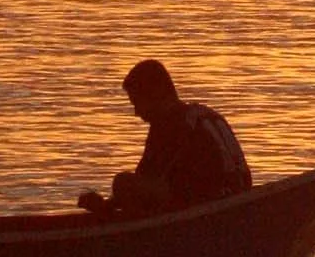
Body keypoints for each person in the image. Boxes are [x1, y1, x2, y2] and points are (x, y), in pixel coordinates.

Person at [77, 59, 251, 220]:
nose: (137, 112)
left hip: (209, 200)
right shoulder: (205, 114)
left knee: (122, 183)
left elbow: (145, 180)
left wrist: (107, 206)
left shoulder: (169, 123)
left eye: (137, 103)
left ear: (155, 94)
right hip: (239, 192)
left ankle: (140, 232)